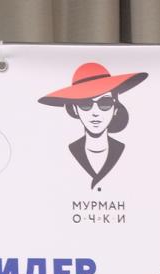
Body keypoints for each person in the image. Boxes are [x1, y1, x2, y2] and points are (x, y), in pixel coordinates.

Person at [37, 61, 149, 189]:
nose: (95, 113)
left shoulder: (130, 153)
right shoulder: (61, 154)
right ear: (75, 109)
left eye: (105, 103)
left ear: (115, 108)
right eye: (85, 104)